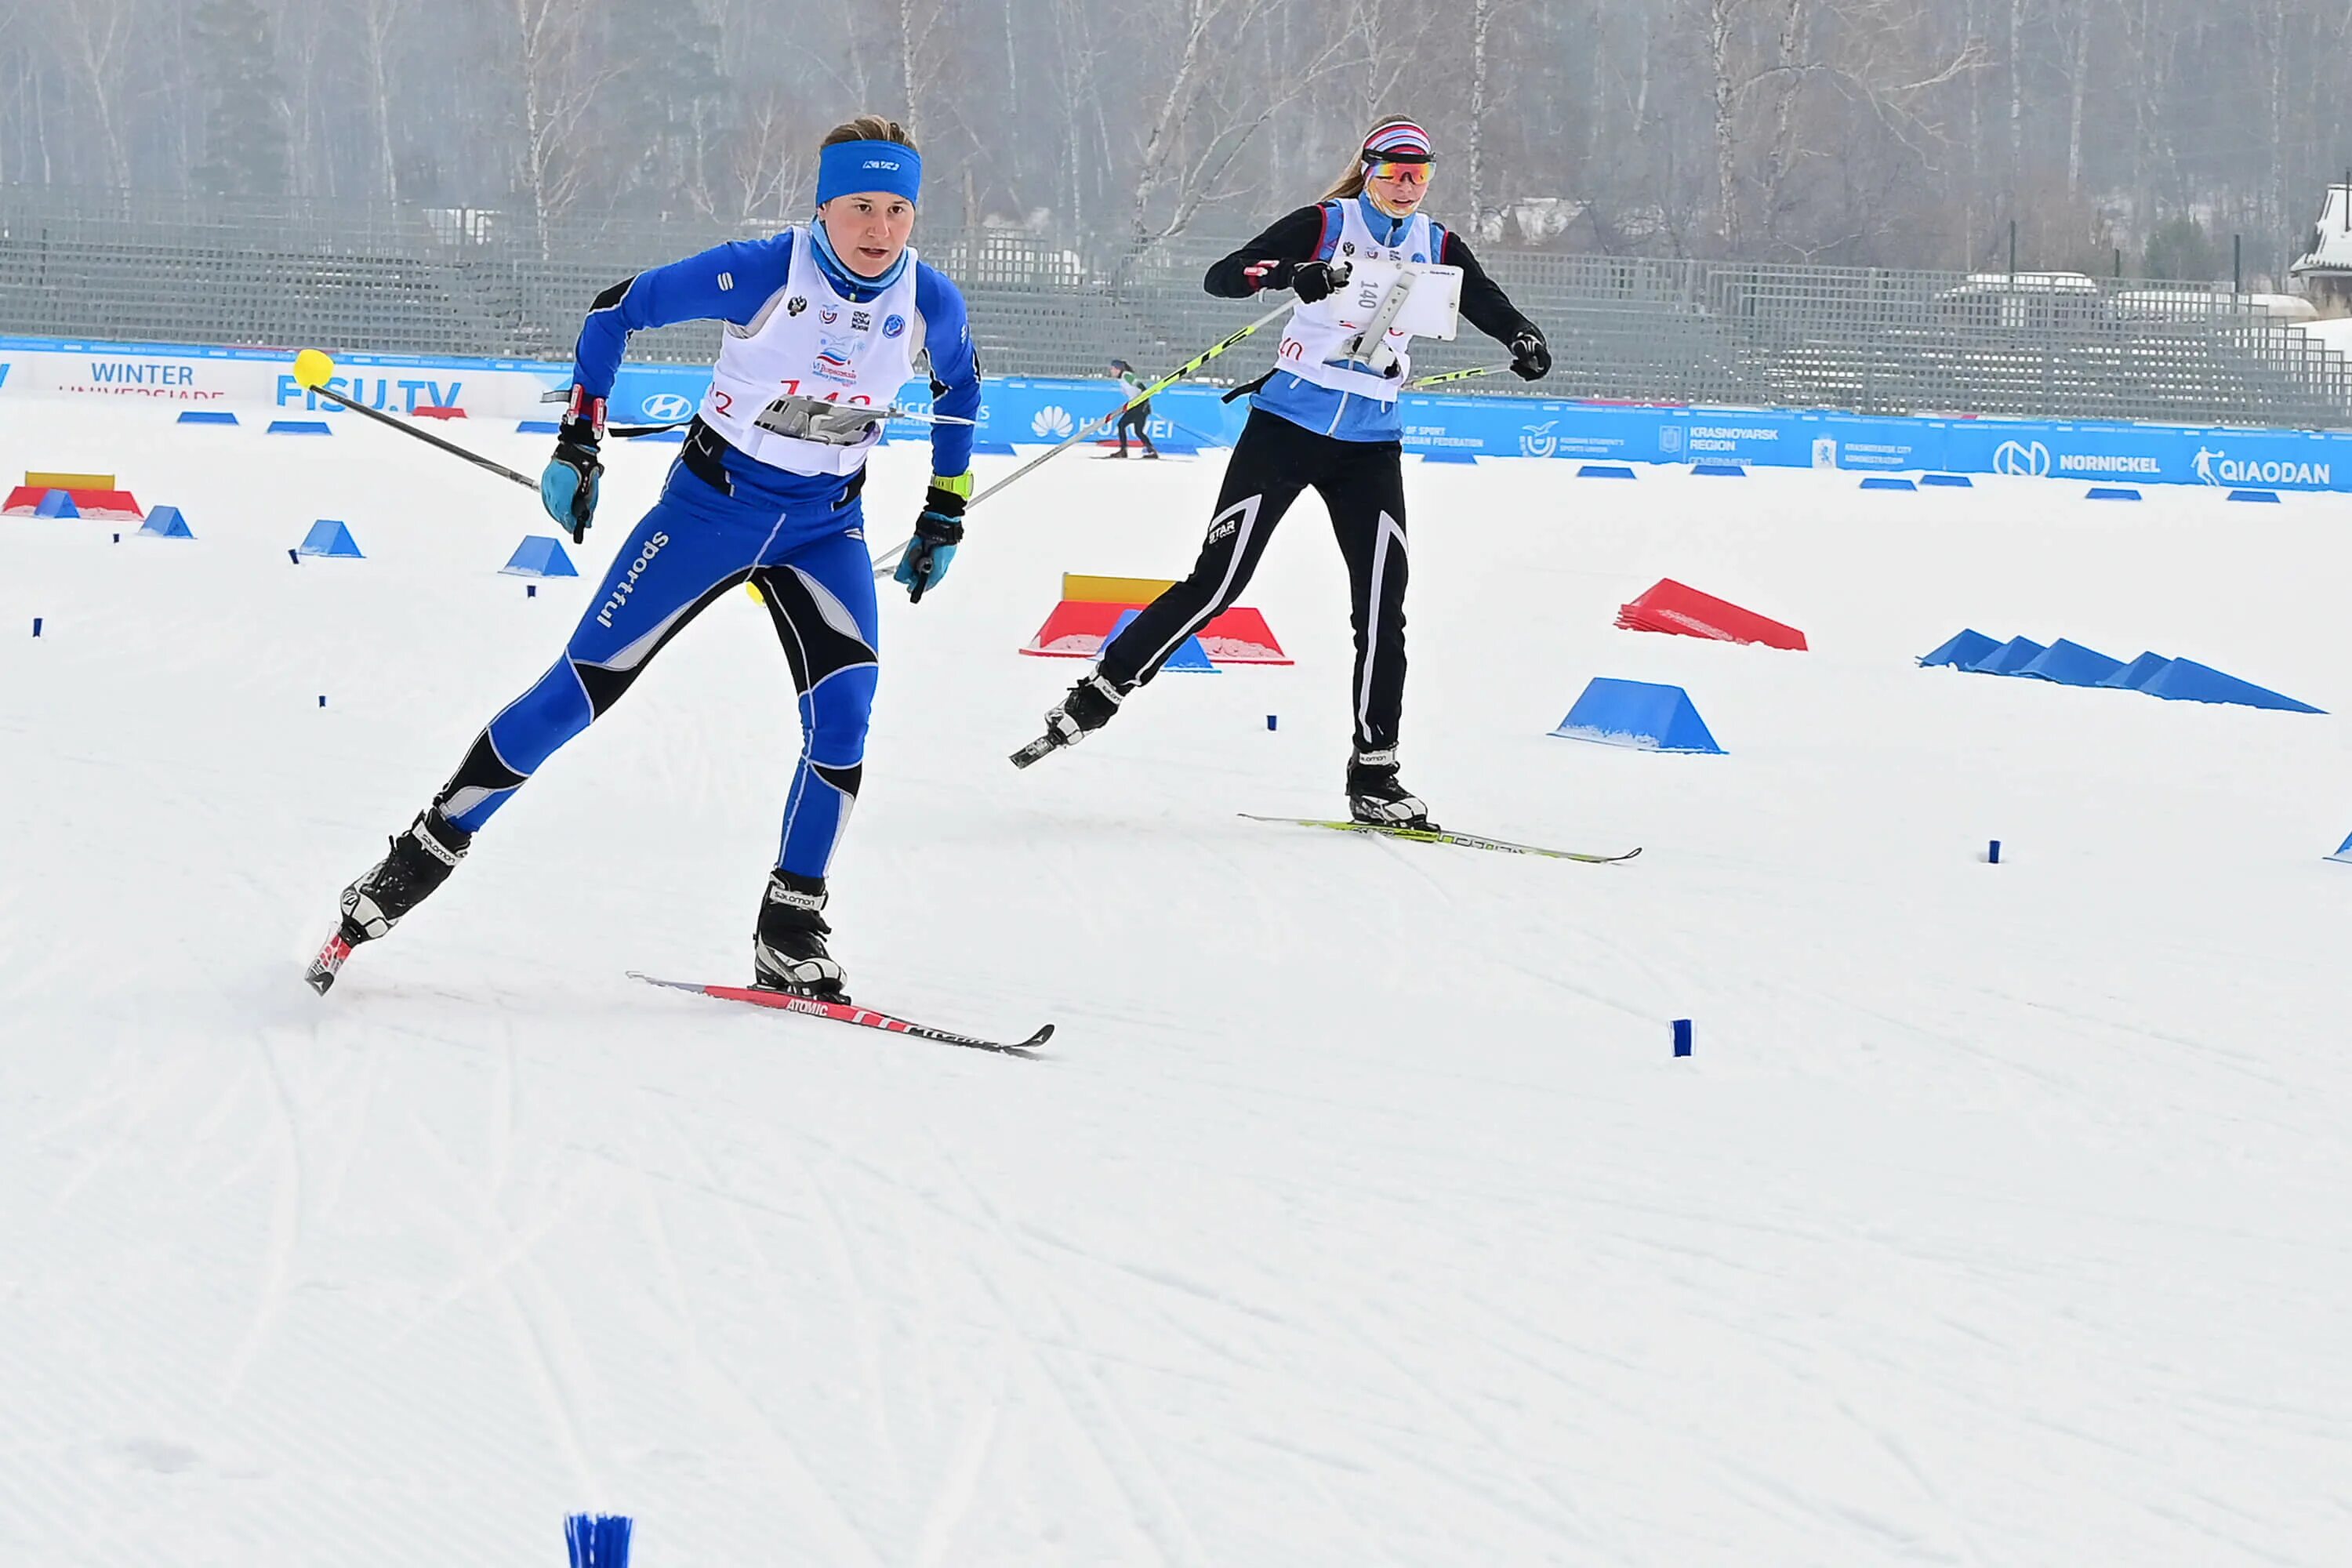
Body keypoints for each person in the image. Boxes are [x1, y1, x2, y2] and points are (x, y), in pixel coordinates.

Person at [308, 114, 980, 1001]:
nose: (879, 230)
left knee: (847, 719)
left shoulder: (929, 298)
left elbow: (962, 382)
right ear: (822, 205)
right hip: (710, 514)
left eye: (898, 211)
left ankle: (791, 924)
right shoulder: (760, 270)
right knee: (577, 691)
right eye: (860, 206)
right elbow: (616, 310)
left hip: (826, 530)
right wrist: (577, 439)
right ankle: (417, 855)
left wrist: (945, 508)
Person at [1023, 116, 1550, 827]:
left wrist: (1522, 336)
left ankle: (1376, 773)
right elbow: (1225, 277)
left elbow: (1481, 298)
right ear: (1368, 169)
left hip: (1371, 446)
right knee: (1218, 584)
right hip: (1286, 430)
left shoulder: (1437, 243)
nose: (1406, 187)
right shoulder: (1325, 223)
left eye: (1420, 175)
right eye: (1394, 172)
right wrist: (1292, 275)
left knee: (1381, 605)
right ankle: (1100, 692)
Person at [1106, 358, 1160, 458]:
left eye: (1113, 368)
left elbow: (1140, 386)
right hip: (1134, 405)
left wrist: (1144, 400)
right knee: (1123, 426)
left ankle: (1151, 451)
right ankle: (1124, 451)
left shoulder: (1126, 375)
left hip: (1141, 405)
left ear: (1118, 369)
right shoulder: (1121, 378)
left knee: (1137, 430)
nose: (1111, 371)